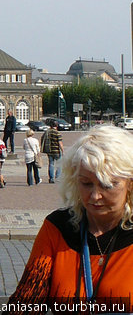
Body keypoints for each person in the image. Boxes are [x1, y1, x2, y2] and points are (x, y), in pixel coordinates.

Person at [9, 125, 133, 306]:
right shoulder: (57, 227)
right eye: (86, 183)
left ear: (129, 183)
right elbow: (25, 304)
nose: (95, 196)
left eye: (107, 185)